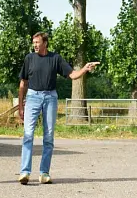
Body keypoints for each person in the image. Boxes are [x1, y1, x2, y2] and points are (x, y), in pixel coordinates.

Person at [17, 32, 98, 185]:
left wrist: (85, 69)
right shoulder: (29, 58)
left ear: (45, 43)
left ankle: (44, 173)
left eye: (37, 42)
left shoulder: (55, 58)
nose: (35, 45)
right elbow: (23, 84)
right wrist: (21, 106)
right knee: (28, 135)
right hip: (33, 97)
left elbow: (73, 75)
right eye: (33, 42)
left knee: (48, 136)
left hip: (50, 98)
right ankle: (25, 172)